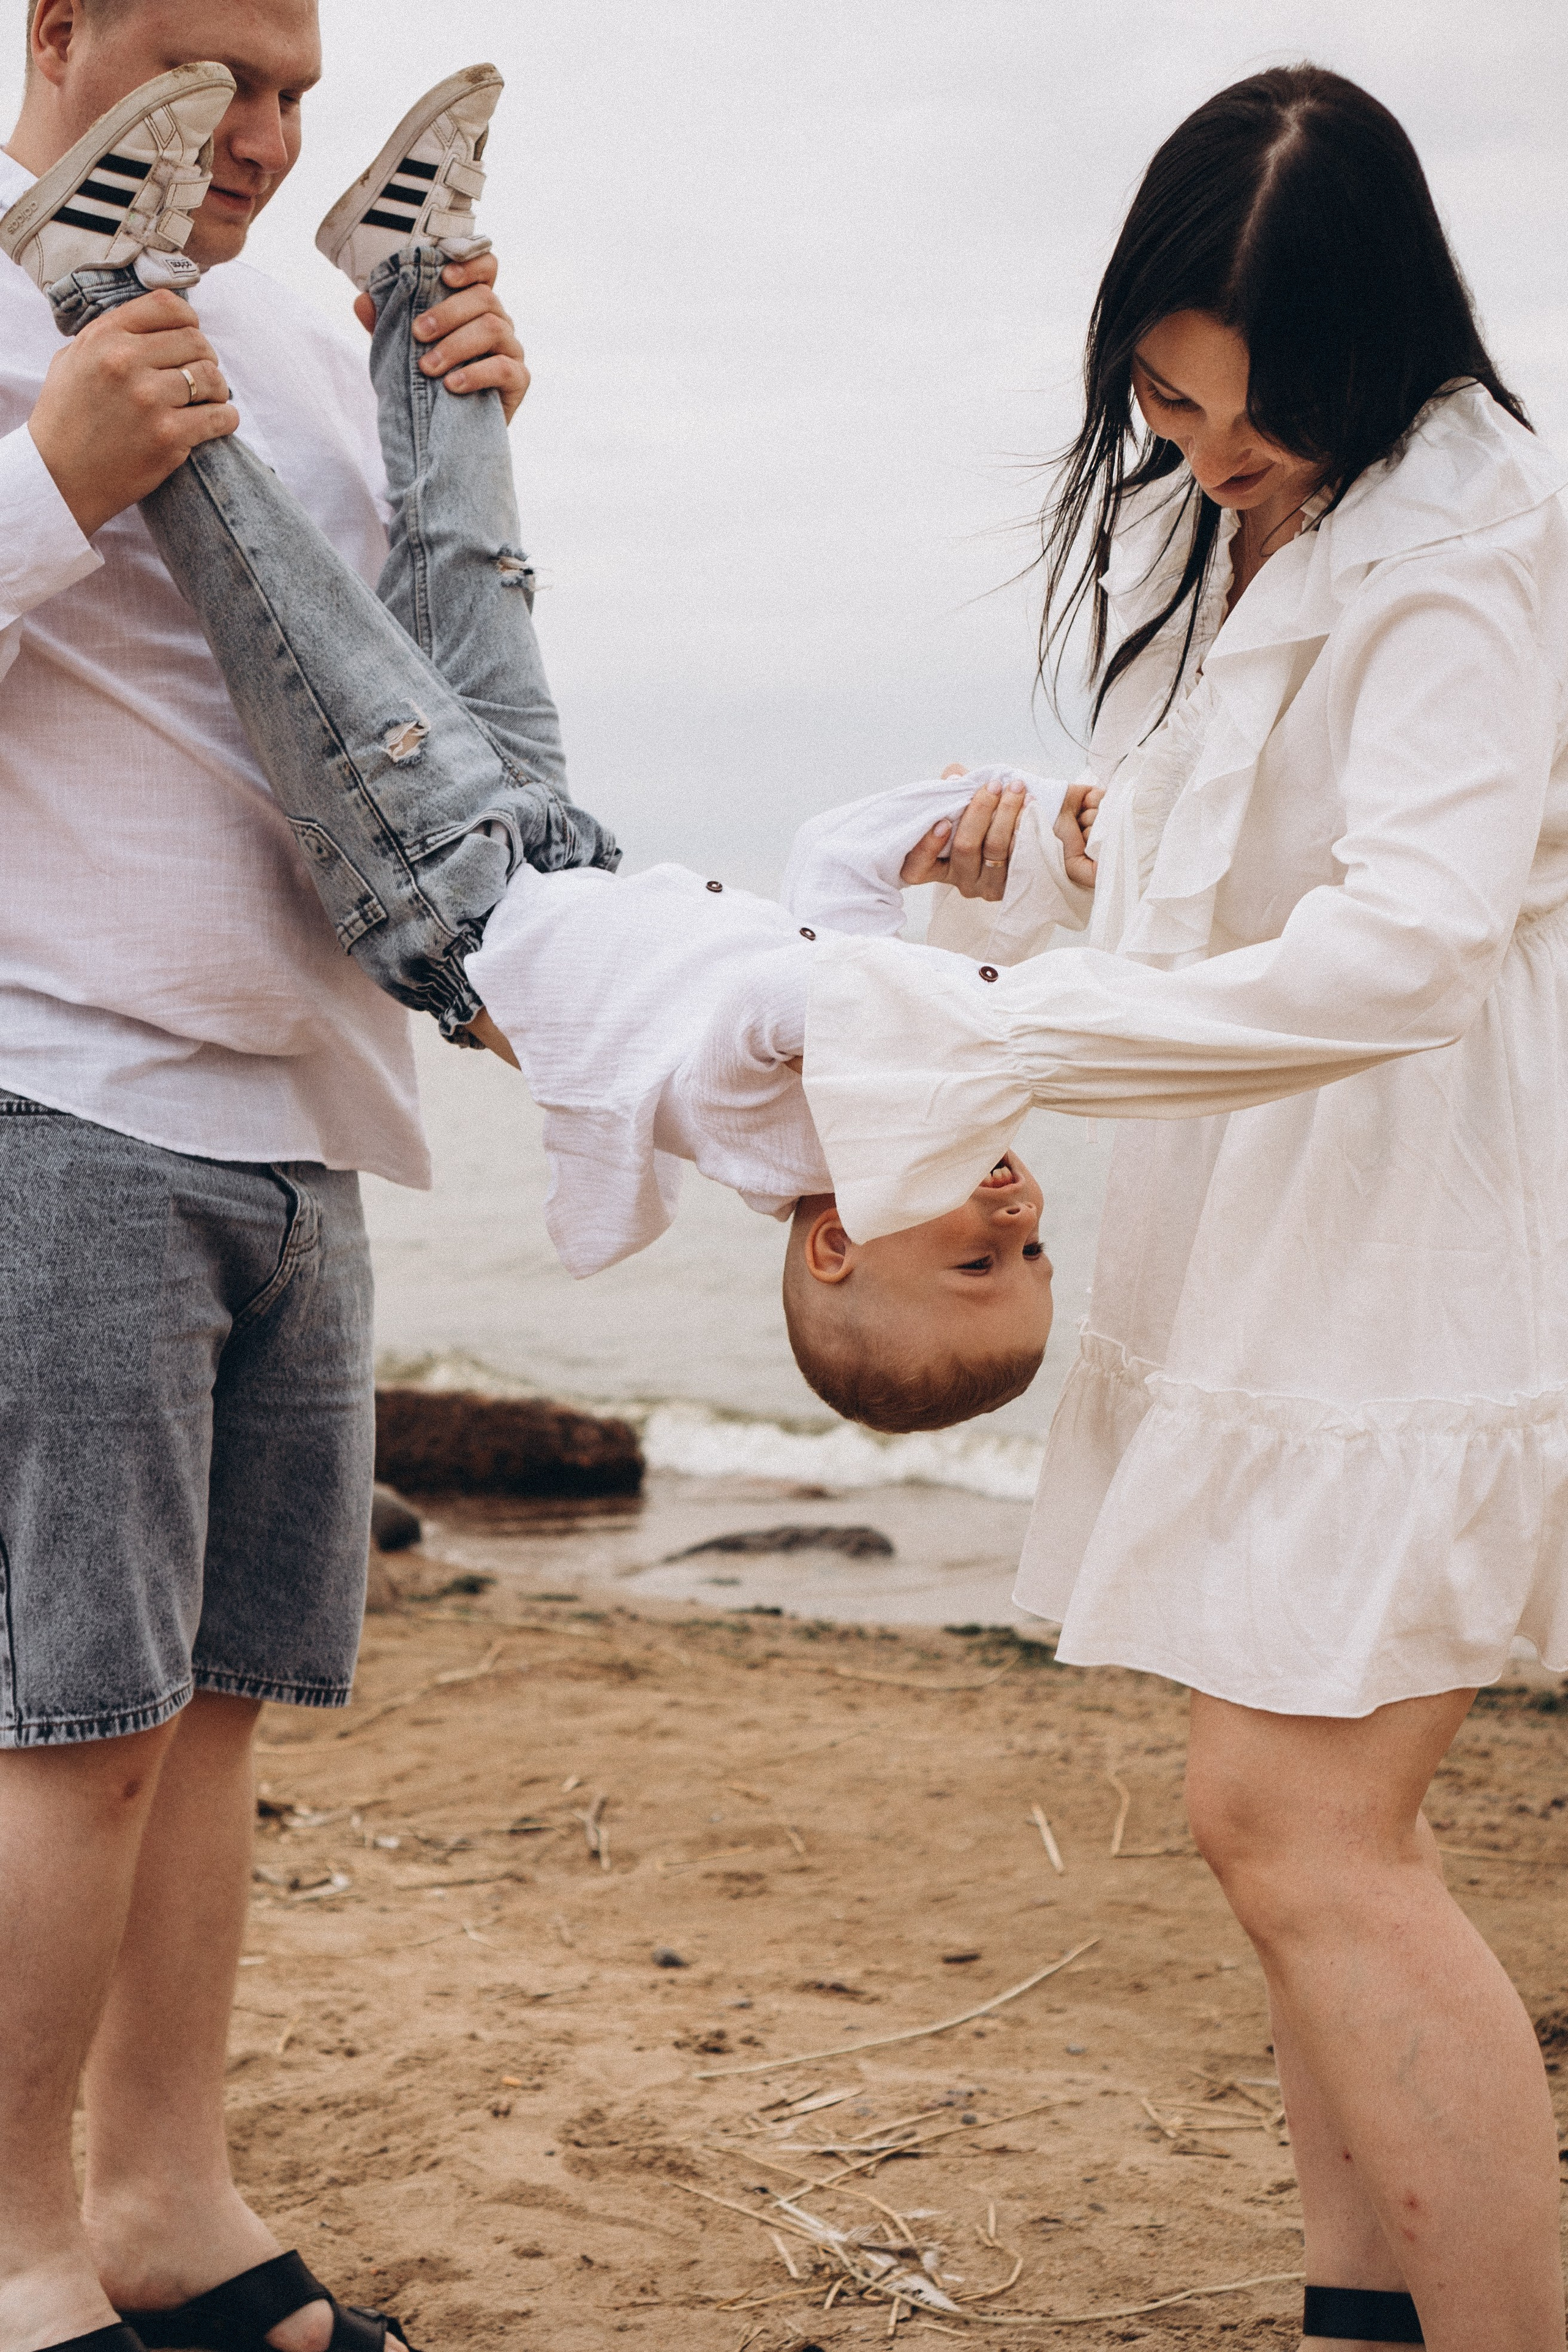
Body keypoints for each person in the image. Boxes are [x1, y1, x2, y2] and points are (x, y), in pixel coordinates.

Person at [798, 64, 1568, 2352]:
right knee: (1300, 1853)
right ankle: (1369, 2321)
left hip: (1412, 1213)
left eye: (1256, 415)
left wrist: (1016, 1046)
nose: (1211, 454)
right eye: (1168, 398)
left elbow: (1412, 938)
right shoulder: (1227, 527)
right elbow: (1230, 857)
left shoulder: (1470, 537)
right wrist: (1031, 856)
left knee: (1302, 1827)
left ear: (1374, 357)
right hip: (1263, 1205)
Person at [13, 77, 1083, 1436]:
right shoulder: (887, 1065)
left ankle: (98, 288)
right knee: (476, 571)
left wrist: (998, 1022)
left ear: (835, 1245)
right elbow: (832, 875)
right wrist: (967, 821)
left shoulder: (767, 1124)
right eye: (1034, 1254)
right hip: (549, 843)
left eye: (977, 1260)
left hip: (443, 895)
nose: (1014, 1216)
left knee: (283, 595)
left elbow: (789, 1008)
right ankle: (413, 266)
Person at [0, 15, 541, 2352]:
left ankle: (164, 2203)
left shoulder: (297, 351)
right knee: (72, 1726)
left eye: (300, 88)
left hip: (308, 1116)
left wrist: (473, 428)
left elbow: (379, 700)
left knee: (215, 1713)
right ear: (52, 36)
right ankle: (14, 2254)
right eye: (212, 65)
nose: (260, 131)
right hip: (66, 1086)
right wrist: (52, 473)